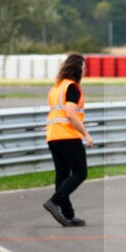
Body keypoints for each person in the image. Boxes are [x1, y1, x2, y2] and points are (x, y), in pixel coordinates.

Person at [43, 53, 94, 226]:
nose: (85, 70)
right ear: (77, 68)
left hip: (53, 136)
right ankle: (55, 201)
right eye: (84, 67)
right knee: (81, 172)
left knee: (63, 174)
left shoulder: (56, 88)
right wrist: (86, 133)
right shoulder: (72, 88)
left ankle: (68, 215)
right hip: (68, 135)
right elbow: (71, 114)